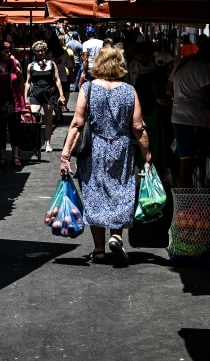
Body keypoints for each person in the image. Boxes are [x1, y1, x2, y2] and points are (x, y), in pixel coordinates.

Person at [61, 46, 151, 265]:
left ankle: (99, 250)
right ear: (120, 65)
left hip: (94, 148)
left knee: (95, 193)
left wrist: (65, 156)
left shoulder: (88, 88)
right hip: (121, 148)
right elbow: (138, 127)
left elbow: (77, 123)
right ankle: (117, 236)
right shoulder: (129, 90)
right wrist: (147, 156)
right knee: (120, 192)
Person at [166, 39, 210, 188]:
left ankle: (185, 204)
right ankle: (184, 208)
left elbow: (168, 90)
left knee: (185, 163)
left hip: (178, 116)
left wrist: (182, 97)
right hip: (191, 119)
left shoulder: (182, 62)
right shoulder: (203, 65)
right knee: (186, 165)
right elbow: (207, 97)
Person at [0, 37, 26, 166]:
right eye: (5, 51)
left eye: (10, 50)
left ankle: (15, 156)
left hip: (14, 102)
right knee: (0, 130)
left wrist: (24, 98)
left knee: (15, 129)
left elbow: (21, 81)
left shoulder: (15, 63)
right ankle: (2, 157)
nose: (8, 53)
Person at [135, 51, 174, 175]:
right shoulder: (160, 77)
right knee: (155, 146)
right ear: (168, 64)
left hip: (153, 116)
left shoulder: (157, 75)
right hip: (157, 117)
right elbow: (161, 100)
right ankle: (149, 173)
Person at [25, 41, 66, 153]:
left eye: (42, 50)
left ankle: (48, 143)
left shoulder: (52, 64)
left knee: (48, 120)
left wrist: (61, 95)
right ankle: (35, 142)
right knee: (34, 119)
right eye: (38, 51)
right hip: (35, 94)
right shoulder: (31, 66)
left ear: (45, 51)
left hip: (49, 93)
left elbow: (57, 80)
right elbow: (28, 82)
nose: (40, 53)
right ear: (35, 52)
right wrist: (25, 97)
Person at [56, 35, 75, 119]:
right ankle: (64, 106)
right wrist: (72, 75)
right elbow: (71, 64)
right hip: (65, 74)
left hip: (54, 76)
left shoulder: (50, 52)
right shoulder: (67, 51)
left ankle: (58, 111)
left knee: (57, 94)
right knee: (65, 91)